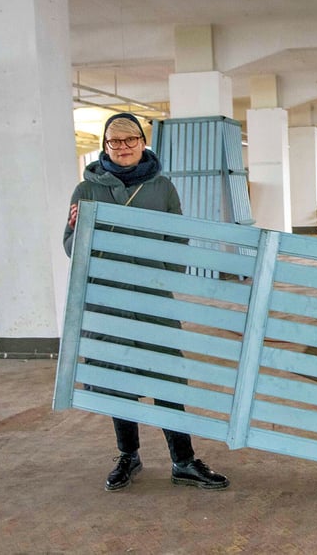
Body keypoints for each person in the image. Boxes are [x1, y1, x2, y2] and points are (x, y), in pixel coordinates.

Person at [63, 112, 229, 492]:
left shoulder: (163, 188)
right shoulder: (85, 190)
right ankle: (128, 456)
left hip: (155, 301)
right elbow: (72, 250)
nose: (122, 148)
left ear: (143, 142)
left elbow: (178, 243)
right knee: (117, 378)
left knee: (167, 377)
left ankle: (183, 461)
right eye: (114, 142)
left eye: (130, 140)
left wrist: (161, 279)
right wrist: (75, 229)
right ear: (105, 146)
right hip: (108, 302)